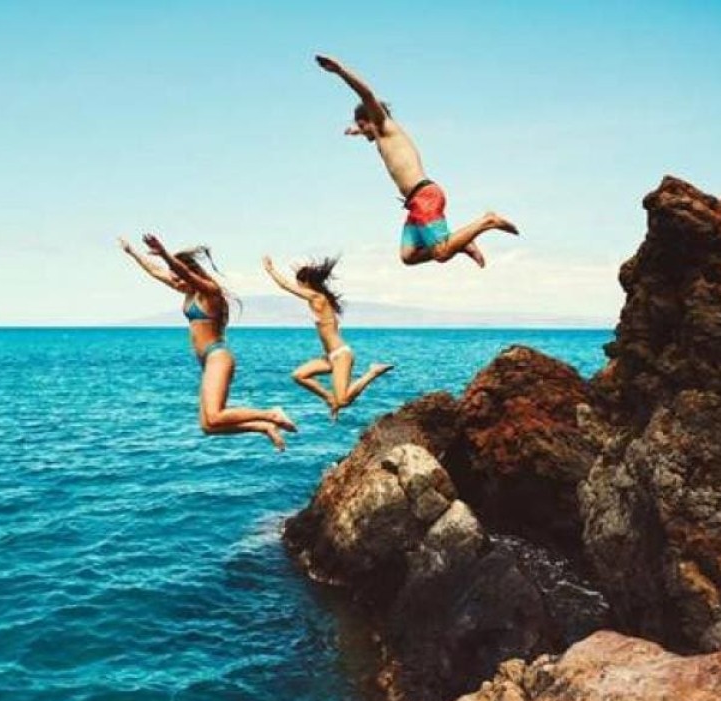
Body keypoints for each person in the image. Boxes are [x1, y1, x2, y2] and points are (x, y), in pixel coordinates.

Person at [315, 54, 519, 267]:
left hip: (425, 196)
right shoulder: (381, 134)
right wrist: (356, 131)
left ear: (371, 120)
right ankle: (460, 243)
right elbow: (367, 128)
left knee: (441, 253)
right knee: (409, 256)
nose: (362, 131)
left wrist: (340, 71)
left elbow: (366, 94)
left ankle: (487, 221)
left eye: (361, 125)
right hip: (415, 202)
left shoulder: (384, 125)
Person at [120, 234, 297, 450]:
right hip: (207, 361)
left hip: (217, 356)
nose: (174, 278)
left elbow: (183, 272)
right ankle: (264, 426)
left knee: (215, 415)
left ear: (191, 273)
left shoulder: (210, 292)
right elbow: (156, 272)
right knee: (208, 426)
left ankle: (271, 414)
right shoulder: (189, 291)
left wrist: (165, 254)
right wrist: (133, 253)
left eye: (177, 273)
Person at [262, 255, 393, 420]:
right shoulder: (319, 301)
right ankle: (329, 398)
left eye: (299, 283)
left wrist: (270, 270)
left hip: (340, 355)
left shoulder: (318, 298)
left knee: (343, 400)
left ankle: (373, 372)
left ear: (306, 283)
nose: (298, 287)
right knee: (298, 375)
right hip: (330, 357)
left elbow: (285, 286)